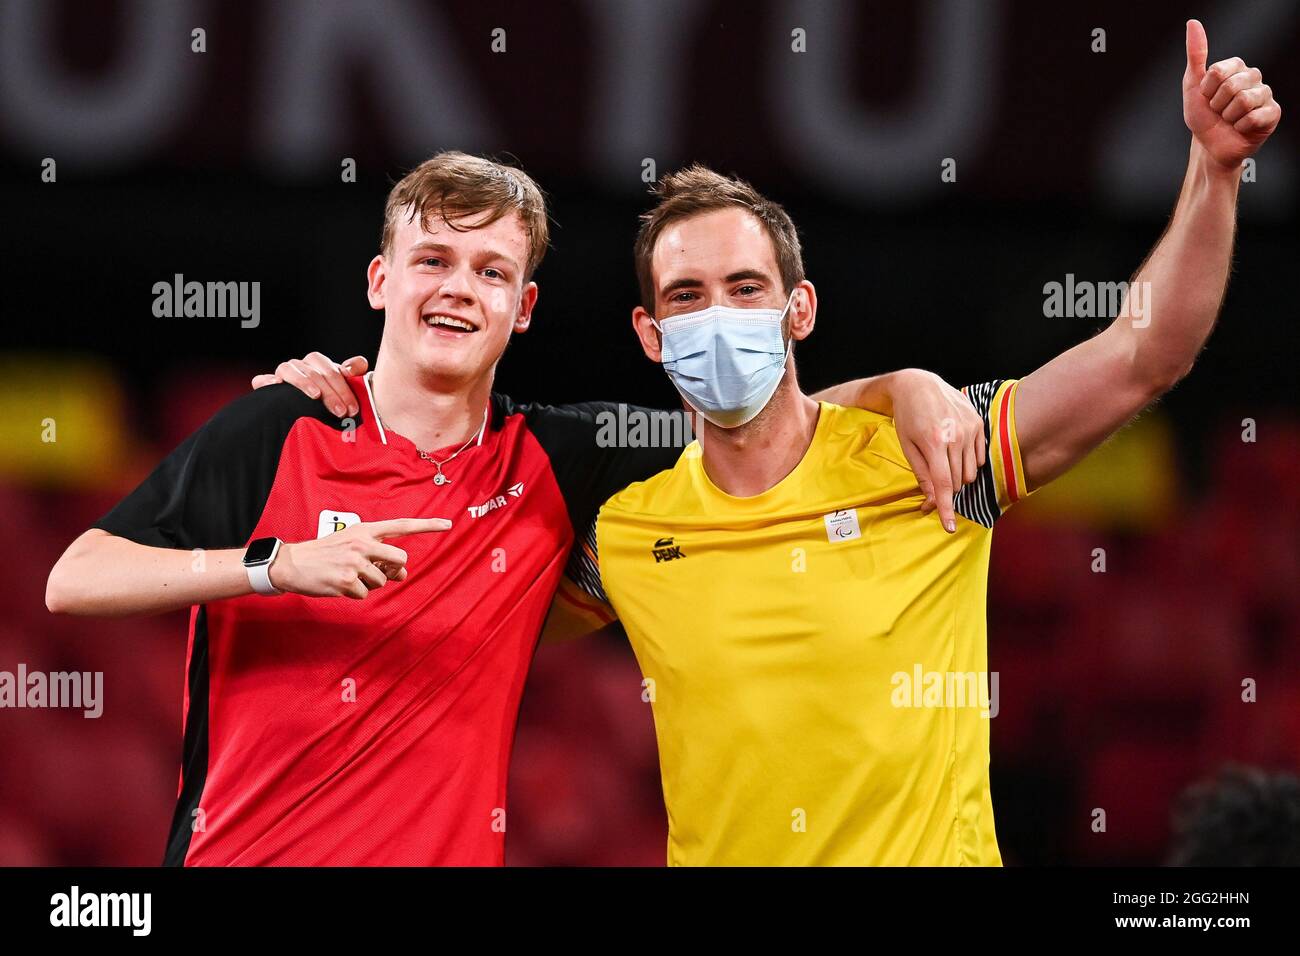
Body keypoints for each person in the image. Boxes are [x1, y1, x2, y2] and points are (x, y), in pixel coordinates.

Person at [279, 20, 1277, 866]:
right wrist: (308, 424)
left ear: (797, 308)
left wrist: (1213, 173)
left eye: (745, 289)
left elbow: (1143, 356)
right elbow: (442, 634)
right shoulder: (627, 529)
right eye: (686, 296)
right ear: (650, 334)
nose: (719, 318)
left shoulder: (937, 456)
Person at [46, 152, 981, 865]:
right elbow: (73, 577)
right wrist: (269, 565)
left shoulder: (559, 458)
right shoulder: (283, 424)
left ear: (523, 306)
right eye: (433, 260)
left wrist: (902, 387)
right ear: (383, 281)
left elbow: (757, 417)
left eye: (491, 271)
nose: (458, 287)